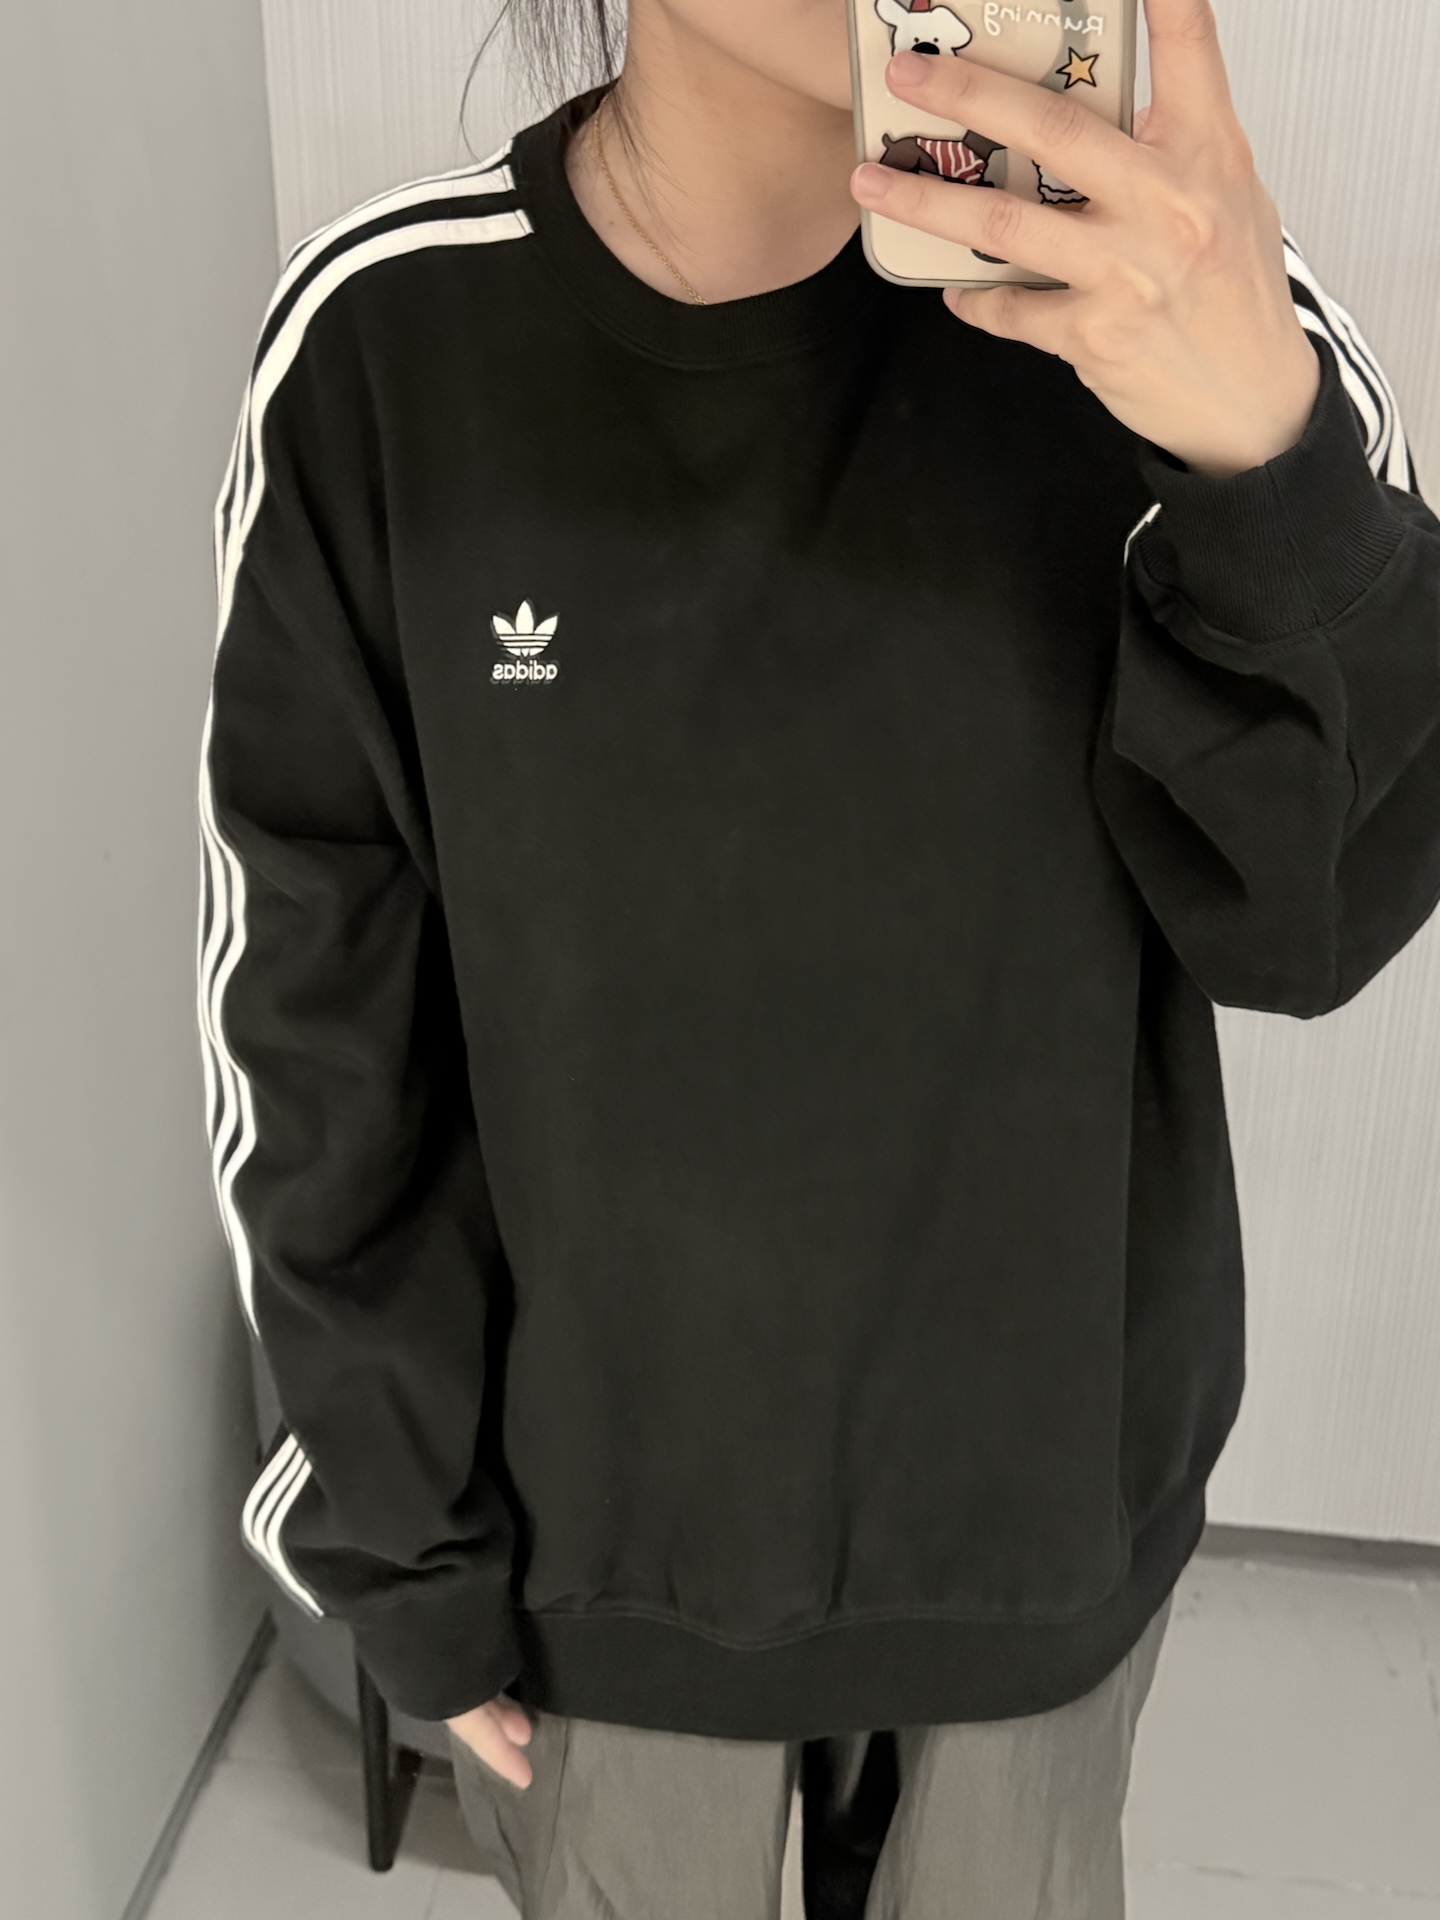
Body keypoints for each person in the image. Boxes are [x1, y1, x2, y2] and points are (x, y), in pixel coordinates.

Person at [199, 0, 1438, 1914]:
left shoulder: (1171, 309)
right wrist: (400, 1552)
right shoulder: (386, 345)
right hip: (603, 1554)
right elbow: (317, 1039)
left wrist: (1261, 464)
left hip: (1039, 1530)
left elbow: (1317, 927)